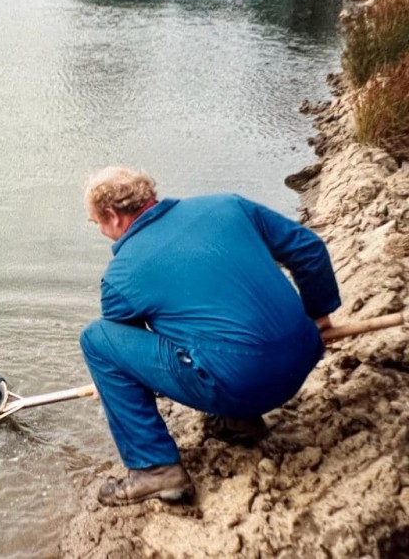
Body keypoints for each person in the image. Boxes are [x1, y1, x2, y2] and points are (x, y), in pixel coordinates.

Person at [80, 166, 340, 507]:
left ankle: (155, 470)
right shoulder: (228, 205)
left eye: (96, 223)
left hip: (241, 386)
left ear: (112, 216)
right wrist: (320, 317)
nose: (101, 231)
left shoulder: (120, 275)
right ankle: (238, 423)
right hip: (306, 355)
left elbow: (126, 352)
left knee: (97, 340)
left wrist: (110, 381)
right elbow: (309, 248)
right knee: (217, 322)